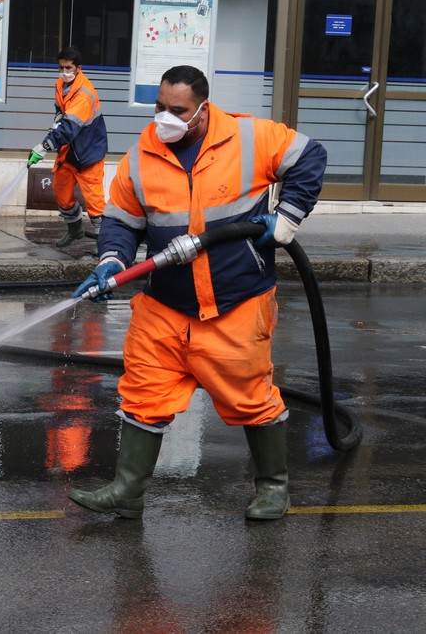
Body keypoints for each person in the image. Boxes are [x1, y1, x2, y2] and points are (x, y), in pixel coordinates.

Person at [69, 64, 326, 521]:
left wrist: (287, 218)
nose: (165, 118)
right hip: (165, 304)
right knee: (144, 393)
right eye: (160, 108)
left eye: (178, 110)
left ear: (202, 111)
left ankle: (272, 488)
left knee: (250, 396)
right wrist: (111, 261)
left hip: (236, 301)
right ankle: (128, 491)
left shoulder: (250, 138)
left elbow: (309, 156)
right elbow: (122, 222)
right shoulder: (141, 157)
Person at [27, 46, 109, 248]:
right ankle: (76, 230)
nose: (64, 72)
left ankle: (106, 244)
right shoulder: (60, 84)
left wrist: (44, 145)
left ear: (79, 68)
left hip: (89, 152)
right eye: (61, 67)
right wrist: (56, 122)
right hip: (70, 150)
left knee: (95, 202)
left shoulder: (84, 93)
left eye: (68, 68)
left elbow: (71, 127)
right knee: (61, 193)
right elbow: (60, 109)